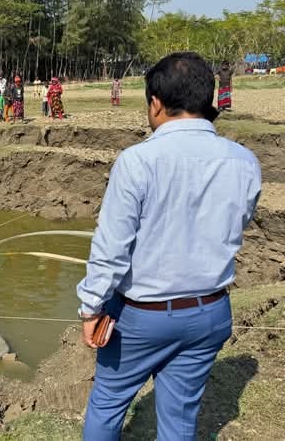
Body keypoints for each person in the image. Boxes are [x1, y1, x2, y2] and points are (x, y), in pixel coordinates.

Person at [77, 52, 261, 441]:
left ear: (156, 103)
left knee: (108, 402)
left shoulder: (137, 161)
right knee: (179, 419)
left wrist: (91, 306)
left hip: (141, 318)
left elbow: (111, 248)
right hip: (210, 311)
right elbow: (237, 223)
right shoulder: (243, 161)